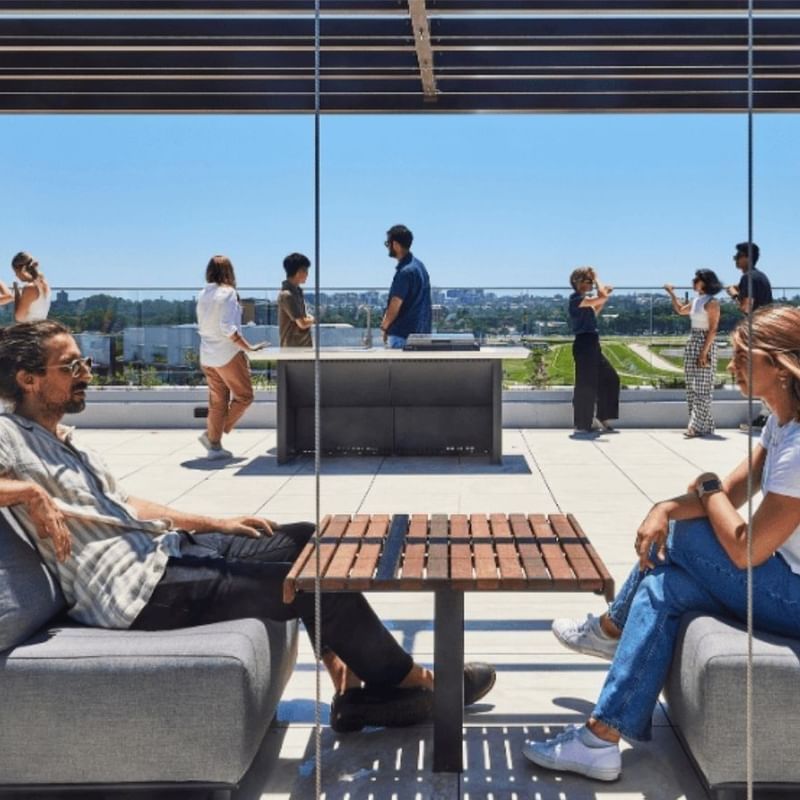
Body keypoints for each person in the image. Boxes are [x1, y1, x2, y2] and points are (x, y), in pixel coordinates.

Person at [0, 320, 496, 732]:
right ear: (27, 379)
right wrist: (28, 492)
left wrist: (219, 522)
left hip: (164, 554)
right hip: (136, 593)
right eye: (71, 367)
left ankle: (346, 679)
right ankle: (413, 682)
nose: (85, 373)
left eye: (84, 363)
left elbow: (127, 503)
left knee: (304, 537)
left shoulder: (64, 438)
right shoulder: (9, 433)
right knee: (312, 581)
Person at [523, 304, 800, 782]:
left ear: (777, 365)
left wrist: (693, 502)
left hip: (792, 595)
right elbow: (731, 493)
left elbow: (743, 548)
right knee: (663, 589)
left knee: (688, 534)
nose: (729, 365)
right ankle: (600, 739)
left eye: (740, 356)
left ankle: (611, 628)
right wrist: (665, 506)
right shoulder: (780, 424)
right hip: (779, 579)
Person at [196, 255, 265, 460]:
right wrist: (249, 348)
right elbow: (228, 327)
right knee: (244, 397)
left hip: (207, 355)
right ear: (229, 272)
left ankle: (214, 447)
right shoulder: (228, 293)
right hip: (227, 354)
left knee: (217, 402)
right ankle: (211, 435)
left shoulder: (202, 293)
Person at [664, 269, 723, 438]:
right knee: (691, 387)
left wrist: (704, 352)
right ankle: (704, 424)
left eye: (697, 279)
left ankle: (695, 426)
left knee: (702, 387)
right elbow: (681, 310)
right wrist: (672, 293)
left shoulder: (712, 302)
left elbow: (713, 330)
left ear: (705, 282)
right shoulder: (697, 300)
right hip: (693, 341)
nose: (694, 281)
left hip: (705, 342)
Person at [568, 266, 620, 435]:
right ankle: (582, 424)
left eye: (591, 281)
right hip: (584, 343)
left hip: (592, 343)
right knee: (585, 385)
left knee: (610, 378)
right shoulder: (576, 299)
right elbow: (601, 297)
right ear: (579, 283)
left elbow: (596, 309)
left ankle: (601, 417)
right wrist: (598, 281)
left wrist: (603, 296)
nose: (591, 284)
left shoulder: (584, 300)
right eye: (588, 281)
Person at [379, 224, 432, 349]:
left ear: (396, 245)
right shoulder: (420, 266)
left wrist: (384, 326)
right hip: (422, 334)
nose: (388, 247)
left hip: (403, 336)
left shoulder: (405, 272)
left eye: (388, 243)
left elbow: (395, 304)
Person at [726, 241, 772, 316]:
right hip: (766, 322)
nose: (735, 260)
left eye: (738, 256)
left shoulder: (747, 277)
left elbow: (746, 309)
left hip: (756, 324)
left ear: (748, 257)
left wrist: (734, 295)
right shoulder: (761, 276)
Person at [278, 252, 314, 347]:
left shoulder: (296, 292)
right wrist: (313, 319)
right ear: (299, 272)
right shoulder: (287, 295)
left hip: (301, 345)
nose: (307, 274)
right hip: (293, 348)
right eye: (306, 271)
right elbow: (302, 323)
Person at [11, 251, 51, 323]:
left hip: (29, 331)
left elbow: (19, 317)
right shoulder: (44, 284)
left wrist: (17, 294)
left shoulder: (30, 288)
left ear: (22, 269)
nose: (16, 275)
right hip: (41, 328)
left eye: (16, 272)